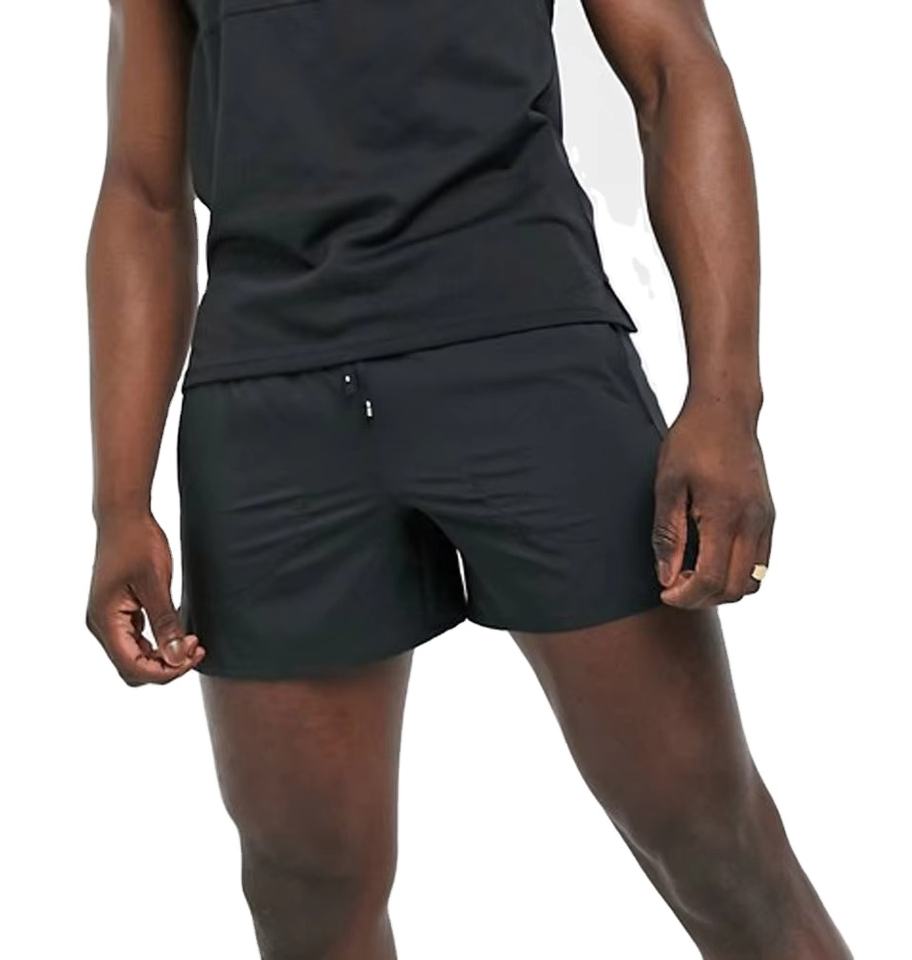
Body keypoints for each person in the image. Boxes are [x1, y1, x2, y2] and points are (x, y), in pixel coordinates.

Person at [85, 0, 851, 956]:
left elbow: (674, 68)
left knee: (710, 839)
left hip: (526, 349)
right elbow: (143, 190)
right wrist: (118, 502)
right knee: (304, 892)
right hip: (269, 397)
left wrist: (727, 400)